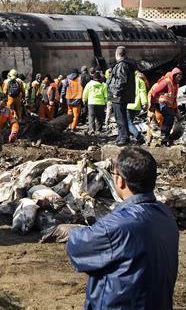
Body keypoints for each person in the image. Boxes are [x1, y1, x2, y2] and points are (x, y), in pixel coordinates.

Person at [67, 146, 179, 309]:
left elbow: (77, 247)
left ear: (120, 180)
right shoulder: (165, 214)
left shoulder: (117, 226)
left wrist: (72, 231)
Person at [107, 47, 137, 146]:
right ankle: (121, 136)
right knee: (121, 117)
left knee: (120, 117)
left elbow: (121, 80)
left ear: (117, 55)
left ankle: (124, 138)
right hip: (122, 96)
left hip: (118, 96)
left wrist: (116, 92)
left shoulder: (121, 65)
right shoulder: (126, 64)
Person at [126, 72, 149, 144]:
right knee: (130, 122)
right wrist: (144, 103)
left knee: (128, 123)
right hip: (136, 106)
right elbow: (143, 93)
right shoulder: (141, 81)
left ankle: (139, 137)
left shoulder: (128, 80)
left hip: (127, 104)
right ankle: (128, 137)